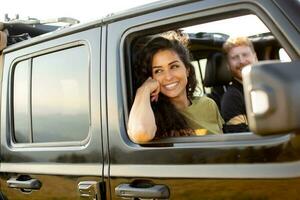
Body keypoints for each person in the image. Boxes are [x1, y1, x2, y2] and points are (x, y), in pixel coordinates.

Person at [128, 35, 223, 143]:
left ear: (187, 70)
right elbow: (140, 133)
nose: (168, 77)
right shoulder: (152, 116)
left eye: (174, 66)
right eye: (158, 71)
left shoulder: (208, 104)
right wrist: (144, 89)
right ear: (151, 77)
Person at [221, 36, 258, 133]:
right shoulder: (232, 98)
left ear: (255, 57)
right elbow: (244, 141)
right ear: (228, 66)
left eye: (245, 55)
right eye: (235, 57)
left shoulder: (269, 86)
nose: (241, 61)